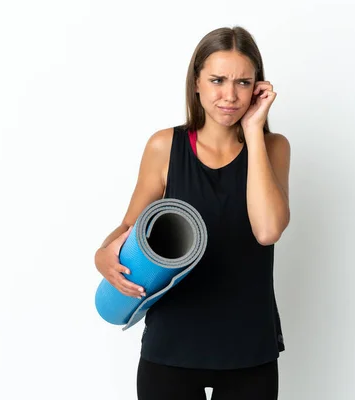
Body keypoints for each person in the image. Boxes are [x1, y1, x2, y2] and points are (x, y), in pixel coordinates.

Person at [94, 26, 291, 400]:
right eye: (217, 80)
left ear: (257, 89)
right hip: (172, 346)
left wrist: (253, 130)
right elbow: (128, 226)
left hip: (249, 348)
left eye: (243, 82)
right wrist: (102, 254)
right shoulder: (164, 146)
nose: (230, 95)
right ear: (197, 82)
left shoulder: (273, 147)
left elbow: (267, 231)